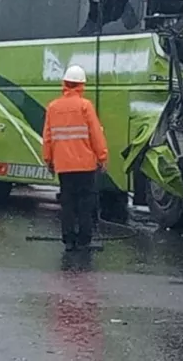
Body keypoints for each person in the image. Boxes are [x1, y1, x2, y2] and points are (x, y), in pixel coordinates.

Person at [42, 65, 109, 252]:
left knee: (68, 203)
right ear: (82, 85)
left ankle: (69, 240)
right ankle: (84, 240)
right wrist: (102, 157)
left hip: (63, 165)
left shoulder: (53, 107)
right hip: (85, 165)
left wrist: (48, 159)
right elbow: (95, 134)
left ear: (64, 83)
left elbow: (47, 136)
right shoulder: (85, 106)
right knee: (85, 204)